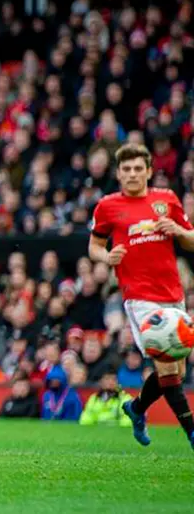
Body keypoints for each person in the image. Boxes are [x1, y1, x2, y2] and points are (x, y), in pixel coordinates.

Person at [88, 143, 194, 447]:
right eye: (126, 169)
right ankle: (191, 431)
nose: (132, 174)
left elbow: (191, 240)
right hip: (139, 297)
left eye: (138, 168)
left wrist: (178, 231)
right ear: (119, 174)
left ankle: (136, 408)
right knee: (167, 366)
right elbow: (94, 246)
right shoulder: (108, 206)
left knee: (177, 370)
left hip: (173, 293)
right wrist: (106, 257)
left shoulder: (167, 200)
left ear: (148, 171)